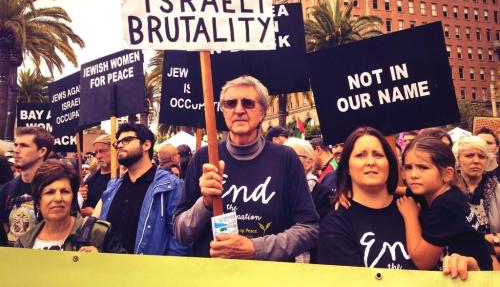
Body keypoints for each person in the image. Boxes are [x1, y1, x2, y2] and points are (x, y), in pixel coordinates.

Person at [174, 75, 319, 261]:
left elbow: (309, 228)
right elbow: (180, 232)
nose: (239, 110)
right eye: (230, 103)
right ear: (223, 111)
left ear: (263, 112)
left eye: (248, 103)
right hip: (215, 277)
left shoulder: (286, 158)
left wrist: (255, 248)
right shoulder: (204, 158)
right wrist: (205, 204)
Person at [317, 127, 415, 269]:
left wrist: (456, 259)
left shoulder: (415, 206)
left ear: (389, 163)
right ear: (347, 168)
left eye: (378, 155)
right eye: (360, 155)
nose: (370, 162)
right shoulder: (335, 225)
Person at [397, 136, 494, 270]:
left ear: (447, 174)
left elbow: (422, 261)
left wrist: (410, 216)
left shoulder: (445, 207)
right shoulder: (449, 193)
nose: (413, 175)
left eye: (423, 167)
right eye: (408, 167)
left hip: (475, 277)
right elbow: (406, 190)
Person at [99, 122, 190, 256]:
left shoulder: (170, 186)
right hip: (109, 272)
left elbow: (180, 239)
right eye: (117, 143)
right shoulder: (113, 187)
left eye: (127, 140)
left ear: (146, 145)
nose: (119, 145)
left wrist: (166, 272)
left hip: (150, 273)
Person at [14, 159, 125, 253]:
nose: (58, 198)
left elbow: (125, 273)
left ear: (73, 197)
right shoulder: (23, 243)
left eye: (64, 191)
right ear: (38, 200)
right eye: (50, 192)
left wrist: (101, 262)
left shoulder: (98, 233)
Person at [0, 127, 54, 246]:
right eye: (16, 145)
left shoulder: (56, 190)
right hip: (11, 261)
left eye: (23, 145)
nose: (16, 150)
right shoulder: (7, 189)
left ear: (42, 151)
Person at [453, 136, 500, 253]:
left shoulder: (497, 190)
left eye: (482, 156)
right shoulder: (448, 189)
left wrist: (482, 243)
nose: (476, 161)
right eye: (469, 155)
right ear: (457, 159)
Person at [79, 134, 112, 217]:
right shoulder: (90, 178)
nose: (98, 156)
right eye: (96, 152)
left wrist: (96, 213)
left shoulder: (121, 178)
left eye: (102, 151)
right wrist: (81, 196)